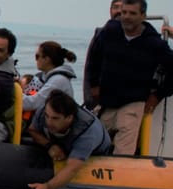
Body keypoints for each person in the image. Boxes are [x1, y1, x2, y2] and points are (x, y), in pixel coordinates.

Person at [86, 0, 173, 155]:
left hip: (134, 101)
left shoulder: (154, 43)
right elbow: (95, 57)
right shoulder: (110, 31)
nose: (126, 17)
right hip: (107, 100)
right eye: (124, 12)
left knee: (124, 145)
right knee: (93, 138)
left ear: (143, 16)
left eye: (132, 13)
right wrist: (93, 84)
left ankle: (122, 170)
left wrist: (158, 95)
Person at [26, 90, 111, 189]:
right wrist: (49, 146)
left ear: (69, 118)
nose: (49, 122)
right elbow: (33, 130)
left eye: (55, 118)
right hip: (58, 143)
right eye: (47, 116)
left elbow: (72, 168)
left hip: (97, 153)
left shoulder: (87, 132)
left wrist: (47, 188)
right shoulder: (45, 111)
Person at [83, 0, 123, 109]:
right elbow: (90, 67)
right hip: (100, 99)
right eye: (115, 7)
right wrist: (90, 98)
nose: (119, 11)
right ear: (110, 10)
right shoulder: (100, 35)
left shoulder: (142, 37)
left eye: (122, 7)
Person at [22, 41, 77, 113]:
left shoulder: (58, 80)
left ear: (47, 59)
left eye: (37, 56)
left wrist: (12, 90)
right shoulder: (49, 77)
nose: (36, 60)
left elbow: (32, 104)